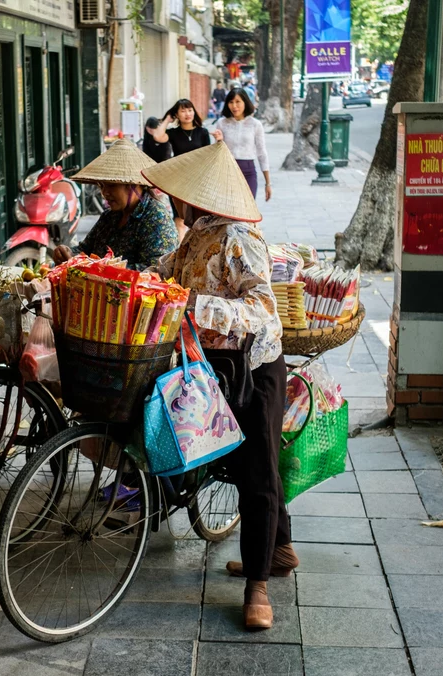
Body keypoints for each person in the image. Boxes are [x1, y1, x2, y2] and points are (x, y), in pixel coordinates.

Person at [142, 142, 295, 631]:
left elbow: (265, 312)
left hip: (254, 368)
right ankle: (281, 547)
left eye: (182, 194)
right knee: (244, 462)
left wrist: (201, 308)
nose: (175, 203)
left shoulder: (240, 239)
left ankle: (257, 585)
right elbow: (166, 273)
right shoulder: (197, 235)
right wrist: (137, 281)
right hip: (208, 365)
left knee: (257, 472)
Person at [51, 138, 177, 271]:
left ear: (133, 184)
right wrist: (68, 253)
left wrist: (100, 268)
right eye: (101, 185)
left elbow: (155, 271)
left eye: (111, 185)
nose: (104, 192)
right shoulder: (109, 217)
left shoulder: (156, 219)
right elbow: (85, 250)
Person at [146, 99, 212, 236]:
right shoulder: (173, 133)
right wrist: (167, 120)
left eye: (190, 110)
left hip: (198, 181)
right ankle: (181, 253)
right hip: (179, 180)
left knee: (200, 219)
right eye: (183, 110)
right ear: (177, 114)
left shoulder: (203, 132)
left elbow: (209, 157)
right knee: (180, 219)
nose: (187, 113)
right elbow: (157, 136)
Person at [212, 87, 271, 201]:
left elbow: (262, 153)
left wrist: (268, 183)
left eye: (238, 102)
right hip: (227, 171)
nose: (234, 106)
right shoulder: (222, 123)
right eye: (231, 102)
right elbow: (217, 153)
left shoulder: (255, 124)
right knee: (230, 213)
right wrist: (219, 141)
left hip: (248, 172)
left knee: (248, 211)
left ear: (245, 102)